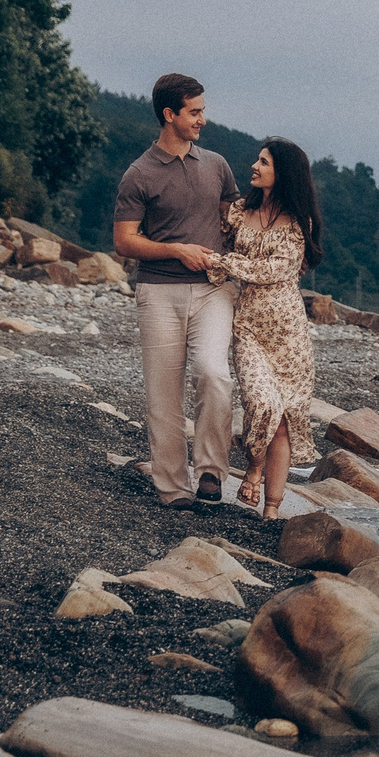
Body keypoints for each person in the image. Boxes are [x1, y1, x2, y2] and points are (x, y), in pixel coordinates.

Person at [112, 73, 242, 506]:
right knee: (162, 394)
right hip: (158, 293)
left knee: (214, 373)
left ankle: (209, 471)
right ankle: (172, 487)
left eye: (202, 110)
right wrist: (175, 250)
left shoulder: (217, 166)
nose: (203, 119)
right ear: (170, 115)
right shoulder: (139, 174)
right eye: (195, 112)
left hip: (214, 290)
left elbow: (236, 224)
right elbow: (124, 241)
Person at [182, 136, 322, 517]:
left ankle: (272, 509)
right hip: (248, 327)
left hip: (289, 335)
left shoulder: (298, 222)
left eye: (263, 162)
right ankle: (255, 468)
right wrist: (212, 265)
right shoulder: (240, 212)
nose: (254, 167)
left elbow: (278, 270)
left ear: (284, 174)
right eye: (257, 161)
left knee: (284, 422)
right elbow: (219, 247)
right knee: (261, 403)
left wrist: (227, 265)